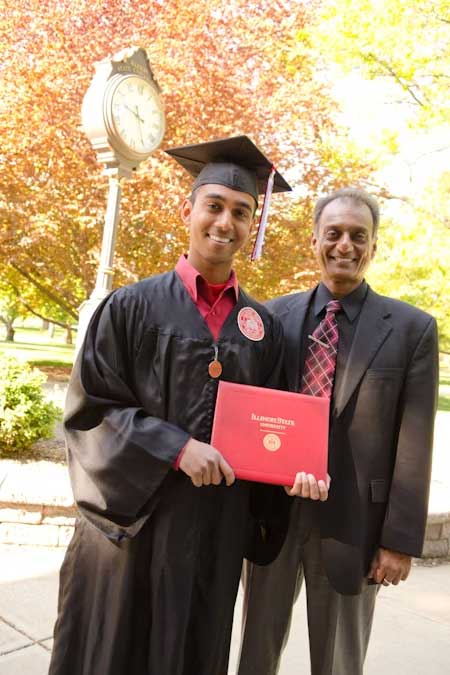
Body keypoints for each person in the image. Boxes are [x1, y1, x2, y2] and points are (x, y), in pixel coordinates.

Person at [49, 135, 300, 675]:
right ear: (187, 210)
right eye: (214, 206)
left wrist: (296, 471)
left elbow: (274, 430)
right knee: (117, 648)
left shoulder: (263, 330)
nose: (224, 222)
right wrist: (176, 448)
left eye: (241, 212)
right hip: (134, 527)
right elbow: (90, 410)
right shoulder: (130, 307)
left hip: (213, 531)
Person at [238, 187, 439, 675]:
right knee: (255, 655)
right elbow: (251, 414)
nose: (344, 245)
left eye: (357, 235)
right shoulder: (271, 318)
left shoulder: (412, 329)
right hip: (274, 518)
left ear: (374, 246)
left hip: (357, 527)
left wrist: (398, 542)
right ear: (314, 241)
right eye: (333, 234)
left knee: (340, 663)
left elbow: (415, 442)